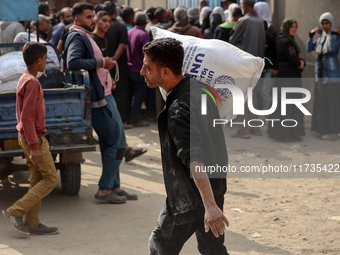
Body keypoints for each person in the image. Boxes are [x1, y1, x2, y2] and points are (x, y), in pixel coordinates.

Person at [141, 38, 229, 255]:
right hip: (214, 186)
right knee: (213, 249)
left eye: (147, 67)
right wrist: (212, 201)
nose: (142, 71)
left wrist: (209, 205)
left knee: (159, 246)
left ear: (166, 72)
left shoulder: (178, 109)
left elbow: (194, 158)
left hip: (188, 197)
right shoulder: (199, 88)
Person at [64, 2, 137, 203]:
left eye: (92, 16)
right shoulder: (77, 36)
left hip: (104, 93)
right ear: (77, 20)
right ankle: (104, 190)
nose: (93, 20)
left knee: (110, 142)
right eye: (88, 17)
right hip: (98, 99)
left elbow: (94, 67)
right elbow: (73, 62)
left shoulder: (86, 35)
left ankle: (115, 186)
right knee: (119, 142)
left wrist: (106, 74)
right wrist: (102, 63)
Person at [2, 41, 59, 235]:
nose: (46, 63)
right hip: (33, 138)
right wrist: (35, 145)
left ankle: (32, 223)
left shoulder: (25, 77)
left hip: (26, 136)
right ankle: (14, 211)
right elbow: (26, 117)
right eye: (44, 59)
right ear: (37, 61)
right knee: (51, 178)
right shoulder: (33, 82)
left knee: (37, 180)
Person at [93, 11, 148, 162]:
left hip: (105, 88)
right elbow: (78, 63)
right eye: (103, 20)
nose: (107, 24)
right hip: (97, 93)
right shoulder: (90, 40)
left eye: (109, 21)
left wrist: (109, 74)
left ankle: (124, 153)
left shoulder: (103, 40)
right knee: (114, 130)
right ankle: (108, 183)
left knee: (114, 130)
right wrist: (109, 64)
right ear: (95, 21)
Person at [229, 0, 265, 138]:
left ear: (244, 5)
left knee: (241, 97)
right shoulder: (260, 21)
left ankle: (243, 130)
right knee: (252, 97)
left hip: (244, 66)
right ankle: (255, 128)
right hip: (257, 64)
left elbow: (232, 40)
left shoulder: (244, 21)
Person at [268, 18, 306, 142]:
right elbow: (294, 59)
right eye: (292, 26)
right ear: (286, 28)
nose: (294, 29)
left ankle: (282, 133)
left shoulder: (284, 40)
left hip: (285, 75)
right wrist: (301, 63)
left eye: (296, 26)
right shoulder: (286, 42)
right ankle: (287, 134)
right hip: (289, 76)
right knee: (289, 104)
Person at [307, 12, 340, 141]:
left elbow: (331, 48)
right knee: (321, 103)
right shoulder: (321, 38)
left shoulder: (335, 37)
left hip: (331, 74)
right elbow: (310, 48)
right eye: (323, 23)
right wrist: (311, 35)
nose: (325, 26)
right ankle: (322, 128)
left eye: (327, 23)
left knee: (331, 103)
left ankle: (332, 132)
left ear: (331, 24)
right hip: (320, 74)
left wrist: (333, 34)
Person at [103, 1, 132, 129]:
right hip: (117, 66)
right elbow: (122, 46)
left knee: (107, 94)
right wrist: (113, 61)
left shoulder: (101, 27)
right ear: (115, 12)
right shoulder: (120, 26)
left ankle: (110, 122)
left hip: (104, 66)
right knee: (120, 94)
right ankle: (119, 122)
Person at [126, 13, 152, 127]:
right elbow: (147, 55)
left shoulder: (129, 32)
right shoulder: (144, 35)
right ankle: (135, 119)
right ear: (145, 22)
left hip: (130, 68)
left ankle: (132, 116)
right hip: (139, 69)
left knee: (132, 95)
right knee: (138, 95)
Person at [254, 1, 277, 111]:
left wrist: (276, 67)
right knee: (259, 91)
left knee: (265, 91)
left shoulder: (271, 32)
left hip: (269, 68)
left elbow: (276, 51)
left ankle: (268, 112)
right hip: (261, 68)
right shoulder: (257, 28)